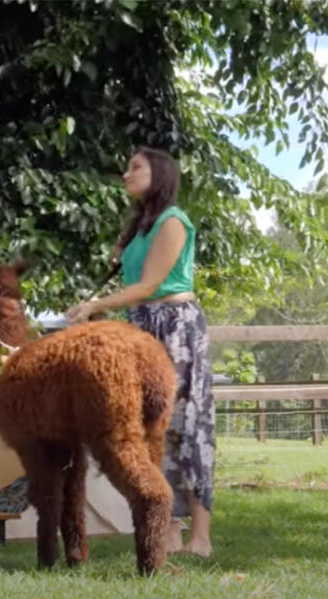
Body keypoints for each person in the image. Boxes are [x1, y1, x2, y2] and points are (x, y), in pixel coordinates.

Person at [64, 146, 215, 557]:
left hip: (176, 327)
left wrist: (97, 305)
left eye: (136, 167)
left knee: (187, 424)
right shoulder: (139, 228)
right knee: (154, 427)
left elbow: (150, 285)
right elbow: (134, 287)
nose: (125, 173)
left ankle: (200, 538)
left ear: (160, 174)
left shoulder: (172, 220)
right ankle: (168, 531)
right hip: (144, 326)